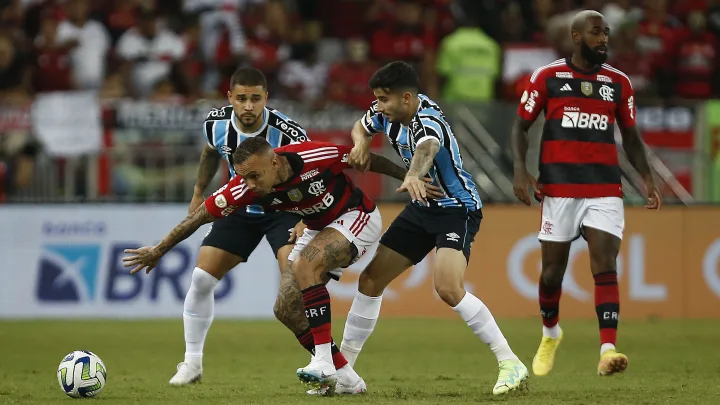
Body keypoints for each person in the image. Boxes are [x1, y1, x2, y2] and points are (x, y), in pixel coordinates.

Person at [123, 137, 443, 395]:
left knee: (305, 266)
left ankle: (322, 362)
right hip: (318, 228)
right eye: (243, 176)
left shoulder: (315, 155)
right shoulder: (242, 189)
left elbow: (367, 160)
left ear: (275, 162)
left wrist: (411, 178)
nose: (249, 184)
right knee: (286, 309)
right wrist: (160, 248)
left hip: (356, 216)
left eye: (254, 175)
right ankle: (346, 376)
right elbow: (200, 217)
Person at [340, 61, 529, 396]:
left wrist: (412, 173)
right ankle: (345, 375)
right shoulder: (386, 112)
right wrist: (361, 143)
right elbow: (361, 125)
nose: (379, 106)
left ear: (407, 98)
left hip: (457, 210)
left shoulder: (429, 120)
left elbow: (427, 147)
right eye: (378, 100)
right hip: (422, 209)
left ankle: (510, 361)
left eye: (385, 100)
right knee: (370, 281)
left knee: (448, 288)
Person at [509, 10, 661, 377]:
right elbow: (520, 126)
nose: (604, 39)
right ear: (576, 37)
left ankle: (607, 348)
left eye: (606, 33)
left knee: (604, 264)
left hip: (604, 188)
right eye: (596, 33)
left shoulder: (619, 83)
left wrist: (647, 178)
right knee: (550, 275)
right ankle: (550, 334)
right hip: (558, 189)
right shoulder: (547, 77)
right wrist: (520, 169)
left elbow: (632, 137)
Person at [172, 67, 311, 386]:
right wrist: (197, 192)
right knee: (202, 278)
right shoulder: (215, 124)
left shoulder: (287, 132)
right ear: (230, 98)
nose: (248, 106)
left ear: (266, 98)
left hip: (284, 208)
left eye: (255, 99)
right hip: (239, 207)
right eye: (242, 98)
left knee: (294, 280)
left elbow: (310, 173)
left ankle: (323, 359)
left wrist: (306, 218)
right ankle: (192, 363)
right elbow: (209, 155)